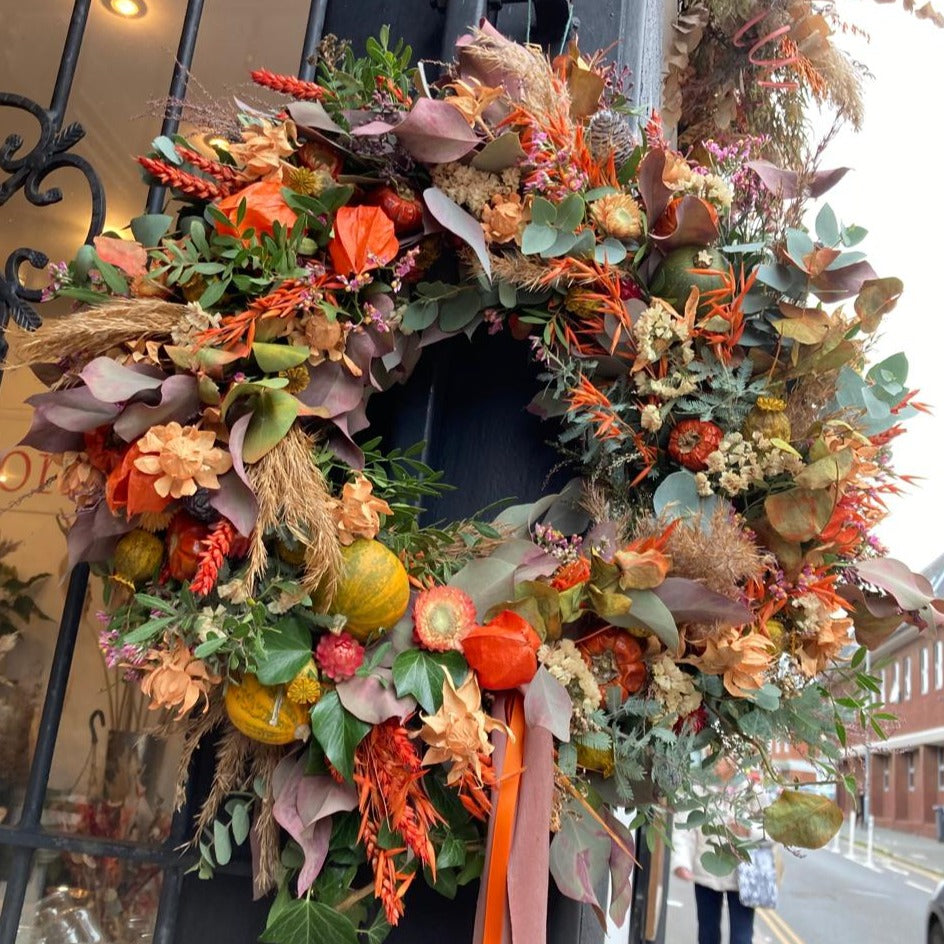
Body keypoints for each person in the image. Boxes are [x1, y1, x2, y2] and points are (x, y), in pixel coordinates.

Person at [671, 756, 766, 944]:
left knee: (741, 938)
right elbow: (685, 828)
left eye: (721, 757)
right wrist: (682, 862)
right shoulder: (698, 787)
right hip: (706, 872)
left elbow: (772, 829)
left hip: (743, 876)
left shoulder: (752, 790)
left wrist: (749, 831)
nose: (715, 761)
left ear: (734, 759)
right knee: (707, 934)